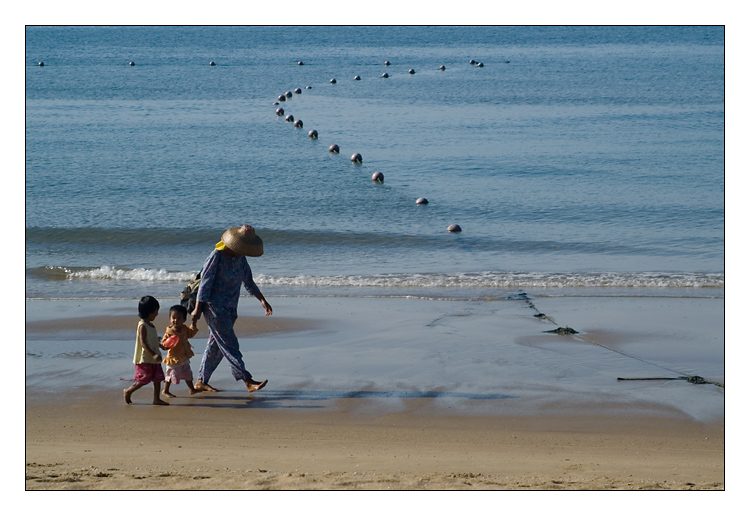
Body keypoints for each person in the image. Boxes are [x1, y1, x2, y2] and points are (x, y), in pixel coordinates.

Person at [191, 225, 272, 393]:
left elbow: (248, 282)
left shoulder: (241, 259)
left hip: (230, 308)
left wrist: (262, 300)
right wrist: (197, 311)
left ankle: (200, 381)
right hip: (214, 308)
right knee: (230, 344)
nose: (243, 252)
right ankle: (247, 380)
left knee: (216, 346)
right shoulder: (217, 256)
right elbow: (204, 285)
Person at [124, 296, 169, 405]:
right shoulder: (142, 326)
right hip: (145, 357)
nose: (157, 314)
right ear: (149, 312)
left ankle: (156, 399)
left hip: (154, 356)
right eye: (155, 312)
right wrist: (153, 354)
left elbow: (152, 340)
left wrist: (161, 346)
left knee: (158, 378)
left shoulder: (151, 325)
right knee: (144, 378)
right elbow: (143, 343)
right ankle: (129, 390)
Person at [161, 304, 199, 397]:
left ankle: (191, 389)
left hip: (184, 355)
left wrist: (193, 323)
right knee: (171, 374)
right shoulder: (169, 332)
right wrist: (165, 345)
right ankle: (165, 390)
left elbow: (190, 334)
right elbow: (164, 343)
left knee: (187, 373)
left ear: (184, 320)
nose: (176, 320)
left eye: (179, 318)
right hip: (173, 358)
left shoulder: (184, 329)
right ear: (170, 318)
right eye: (173, 318)